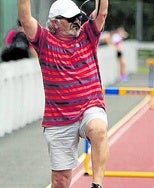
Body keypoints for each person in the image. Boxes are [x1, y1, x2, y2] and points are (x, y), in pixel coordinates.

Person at [18, 0, 109, 188]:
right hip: (58, 118)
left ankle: (97, 185)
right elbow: (25, 17)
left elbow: (102, 13)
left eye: (78, 17)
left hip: (89, 106)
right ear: (55, 23)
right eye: (70, 18)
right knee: (61, 181)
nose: (77, 21)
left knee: (98, 128)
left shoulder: (87, 35)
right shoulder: (44, 41)